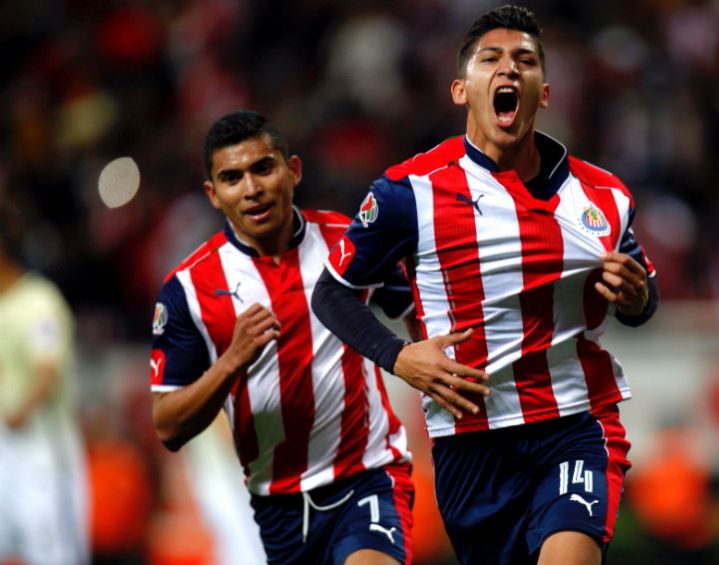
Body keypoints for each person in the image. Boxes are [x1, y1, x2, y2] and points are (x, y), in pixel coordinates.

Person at [312, 5, 659, 564]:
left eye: (525, 60)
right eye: (491, 59)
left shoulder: (604, 197)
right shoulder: (409, 193)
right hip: (469, 445)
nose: (509, 69)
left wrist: (639, 297)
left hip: (575, 423)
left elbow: (641, 298)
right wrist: (400, 358)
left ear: (543, 92)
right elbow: (331, 293)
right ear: (460, 89)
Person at [149, 110, 417, 565]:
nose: (251, 188)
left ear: (292, 170)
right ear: (214, 195)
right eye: (232, 178)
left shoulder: (348, 243)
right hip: (277, 506)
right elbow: (168, 426)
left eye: (263, 168)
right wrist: (231, 360)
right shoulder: (187, 290)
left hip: (368, 475)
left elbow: (418, 314)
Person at [0, 202, 90, 565]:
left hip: (42, 445)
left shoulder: (38, 299)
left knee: (53, 550)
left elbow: (47, 369)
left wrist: (20, 412)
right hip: (6, 446)